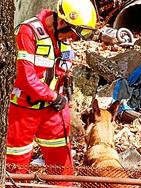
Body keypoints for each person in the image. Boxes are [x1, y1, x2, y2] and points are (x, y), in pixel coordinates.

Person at [6, 0, 97, 185]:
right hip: (23, 110)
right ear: (62, 23)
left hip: (53, 110)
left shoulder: (63, 38)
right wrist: (54, 97)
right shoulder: (28, 32)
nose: (72, 40)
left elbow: (63, 69)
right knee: (15, 165)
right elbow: (26, 79)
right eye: (72, 34)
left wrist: (67, 92)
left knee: (62, 167)